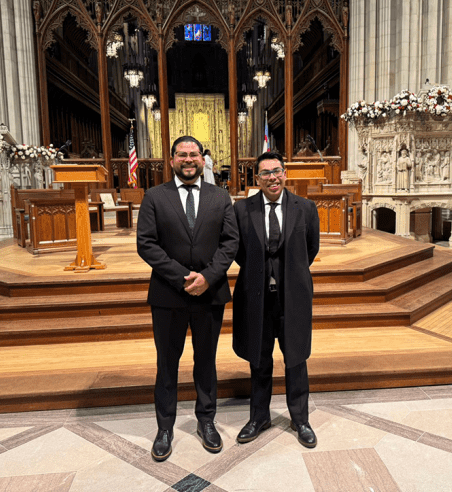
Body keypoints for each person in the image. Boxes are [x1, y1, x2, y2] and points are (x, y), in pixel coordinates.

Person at [136, 136, 238, 462]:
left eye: (194, 154)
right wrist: (184, 278)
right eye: (183, 154)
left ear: (203, 160)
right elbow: (147, 244)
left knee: (205, 361)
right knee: (167, 364)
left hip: (210, 294)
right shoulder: (154, 197)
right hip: (168, 295)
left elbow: (230, 242)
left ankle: (206, 421)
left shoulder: (220, 197)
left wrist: (208, 276)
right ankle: (164, 427)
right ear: (172, 160)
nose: (189, 159)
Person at [232, 151, 320, 448]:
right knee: (259, 358)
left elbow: (310, 249)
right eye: (266, 173)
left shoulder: (305, 208)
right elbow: (239, 253)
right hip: (256, 297)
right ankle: (259, 417)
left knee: (296, 358)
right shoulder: (242, 210)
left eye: (277, 171)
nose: (272, 177)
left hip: (292, 296)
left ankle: (300, 418)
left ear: (285, 174)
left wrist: (287, 274)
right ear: (257, 178)